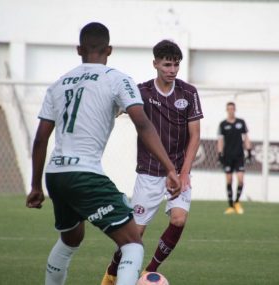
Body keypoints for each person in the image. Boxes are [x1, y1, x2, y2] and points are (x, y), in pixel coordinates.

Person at [26, 22, 181, 285]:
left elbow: (41, 139)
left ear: (79, 49)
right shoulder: (117, 79)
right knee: (133, 243)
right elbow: (142, 124)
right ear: (109, 49)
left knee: (71, 238)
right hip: (85, 174)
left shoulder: (59, 84)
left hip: (56, 175)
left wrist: (35, 185)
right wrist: (169, 168)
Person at [102, 40, 203, 284]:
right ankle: (112, 273)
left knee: (178, 219)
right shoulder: (141, 91)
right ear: (155, 64)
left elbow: (195, 135)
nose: (172, 69)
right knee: (134, 234)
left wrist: (185, 173)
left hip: (178, 173)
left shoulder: (188, 93)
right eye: (167, 64)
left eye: (176, 65)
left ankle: (149, 271)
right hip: (149, 173)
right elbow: (116, 108)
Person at [217, 102, 252, 215]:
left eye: (232, 109)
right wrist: (219, 154)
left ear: (235, 109)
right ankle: (230, 206)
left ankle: (237, 202)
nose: (231, 111)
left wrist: (249, 152)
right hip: (228, 156)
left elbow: (246, 138)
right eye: (229, 109)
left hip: (239, 156)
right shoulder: (223, 124)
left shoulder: (241, 123)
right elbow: (220, 140)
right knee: (229, 180)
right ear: (227, 110)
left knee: (241, 179)